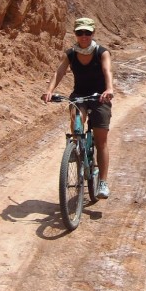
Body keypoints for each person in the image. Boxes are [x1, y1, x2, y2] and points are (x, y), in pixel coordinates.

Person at [42, 17, 114, 199]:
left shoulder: (101, 52)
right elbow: (59, 72)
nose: (83, 37)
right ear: (75, 33)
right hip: (80, 96)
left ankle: (103, 182)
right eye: (80, 33)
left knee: (101, 140)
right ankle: (76, 150)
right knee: (76, 123)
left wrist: (109, 89)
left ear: (93, 33)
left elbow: (107, 71)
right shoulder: (71, 54)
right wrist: (50, 91)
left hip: (99, 98)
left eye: (87, 33)